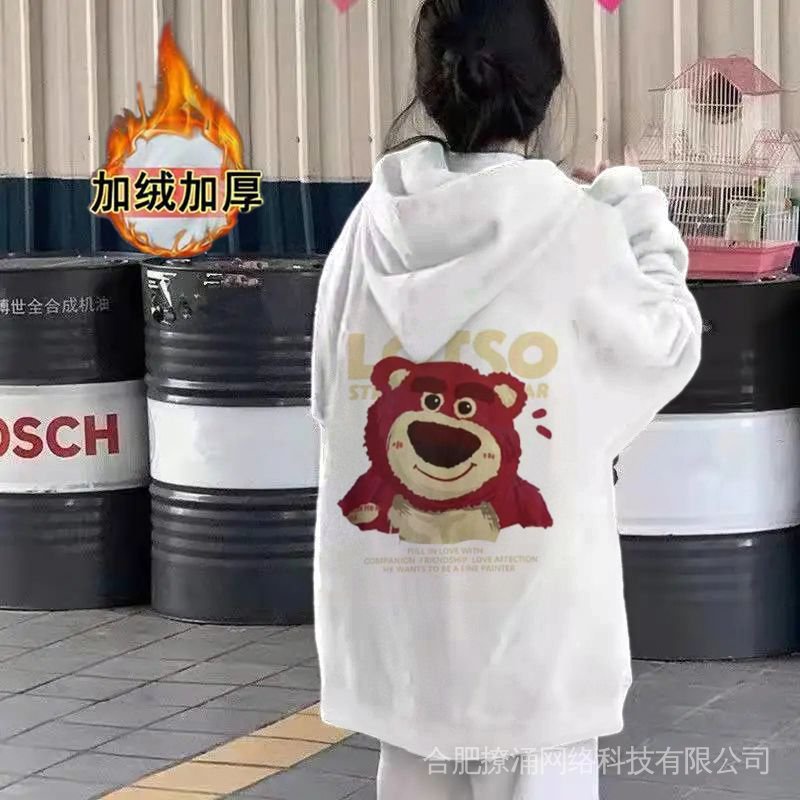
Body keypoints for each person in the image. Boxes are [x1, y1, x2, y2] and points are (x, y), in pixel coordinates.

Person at [310, 1, 702, 797]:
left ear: (430, 85)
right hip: (533, 646)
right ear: (546, 85)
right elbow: (665, 344)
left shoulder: (365, 231)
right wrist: (640, 222)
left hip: (406, 642)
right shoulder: (577, 230)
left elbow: (329, 400)